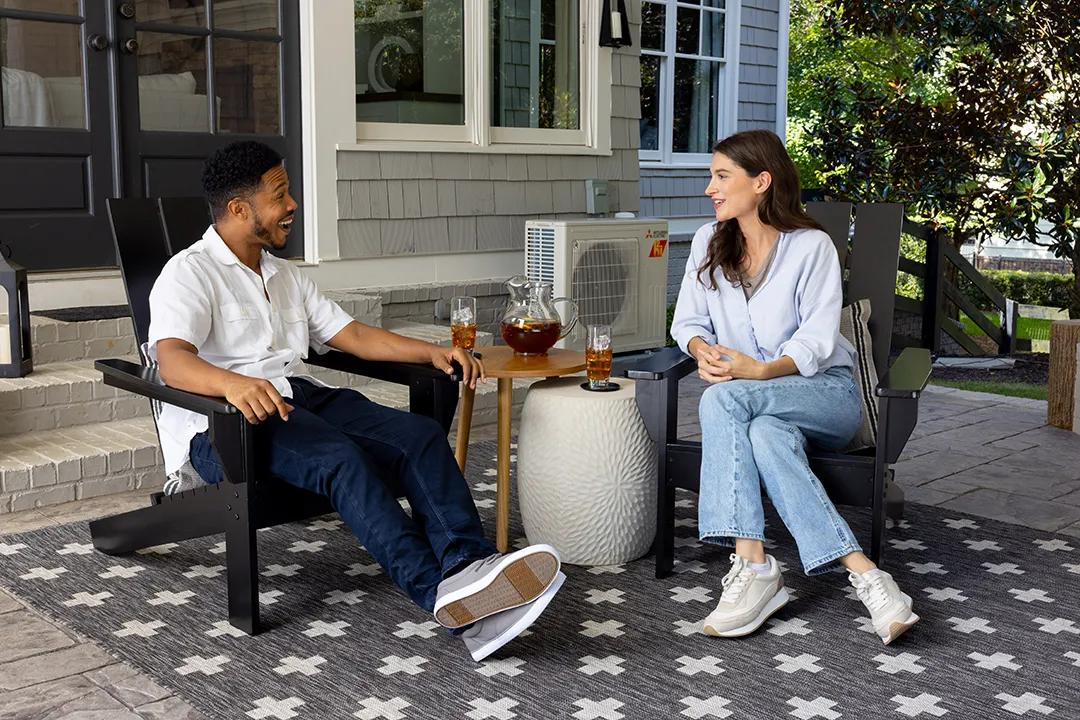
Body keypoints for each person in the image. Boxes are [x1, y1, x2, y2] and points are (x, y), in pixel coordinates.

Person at [148, 140, 563, 661]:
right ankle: (438, 593)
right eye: (280, 194)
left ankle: (469, 568)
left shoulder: (285, 275)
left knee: (418, 436)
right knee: (341, 460)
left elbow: (353, 336)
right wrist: (232, 384)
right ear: (239, 209)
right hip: (228, 425)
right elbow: (172, 362)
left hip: (294, 398)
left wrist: (434, 351)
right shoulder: (188, 273)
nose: (293, 203)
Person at [670, 130, 919, 645]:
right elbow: (686, 323)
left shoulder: (811, 248)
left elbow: (817, 340)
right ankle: (869, 577)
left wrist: (755, 371)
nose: (709, 189)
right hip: (757, 406)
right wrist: (702, 352)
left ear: (761, 181)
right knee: (762, 434)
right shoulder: (706, 243)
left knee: (722, 399)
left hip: (825, 394)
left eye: (721, 176)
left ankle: (755, 569)